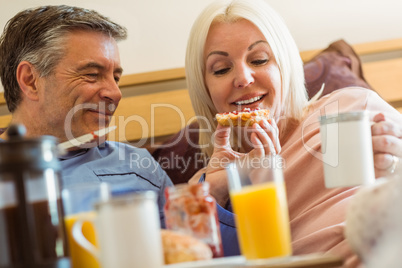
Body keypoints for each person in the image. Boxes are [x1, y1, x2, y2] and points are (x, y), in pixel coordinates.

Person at [183, 0, 402, 266]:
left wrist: (393, 161)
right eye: (221, 69)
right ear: (204, 88)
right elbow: (189, 257)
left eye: (259, 59)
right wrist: (218, 187)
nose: (243, 78)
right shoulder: (204, 186)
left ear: (284, 64)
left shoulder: (350, 109)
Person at [0, 5, 173, 223]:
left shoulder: (139, 167)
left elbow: (192, 248)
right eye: (92, 74)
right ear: (30, 80)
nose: (115, 93)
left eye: (116, 78)